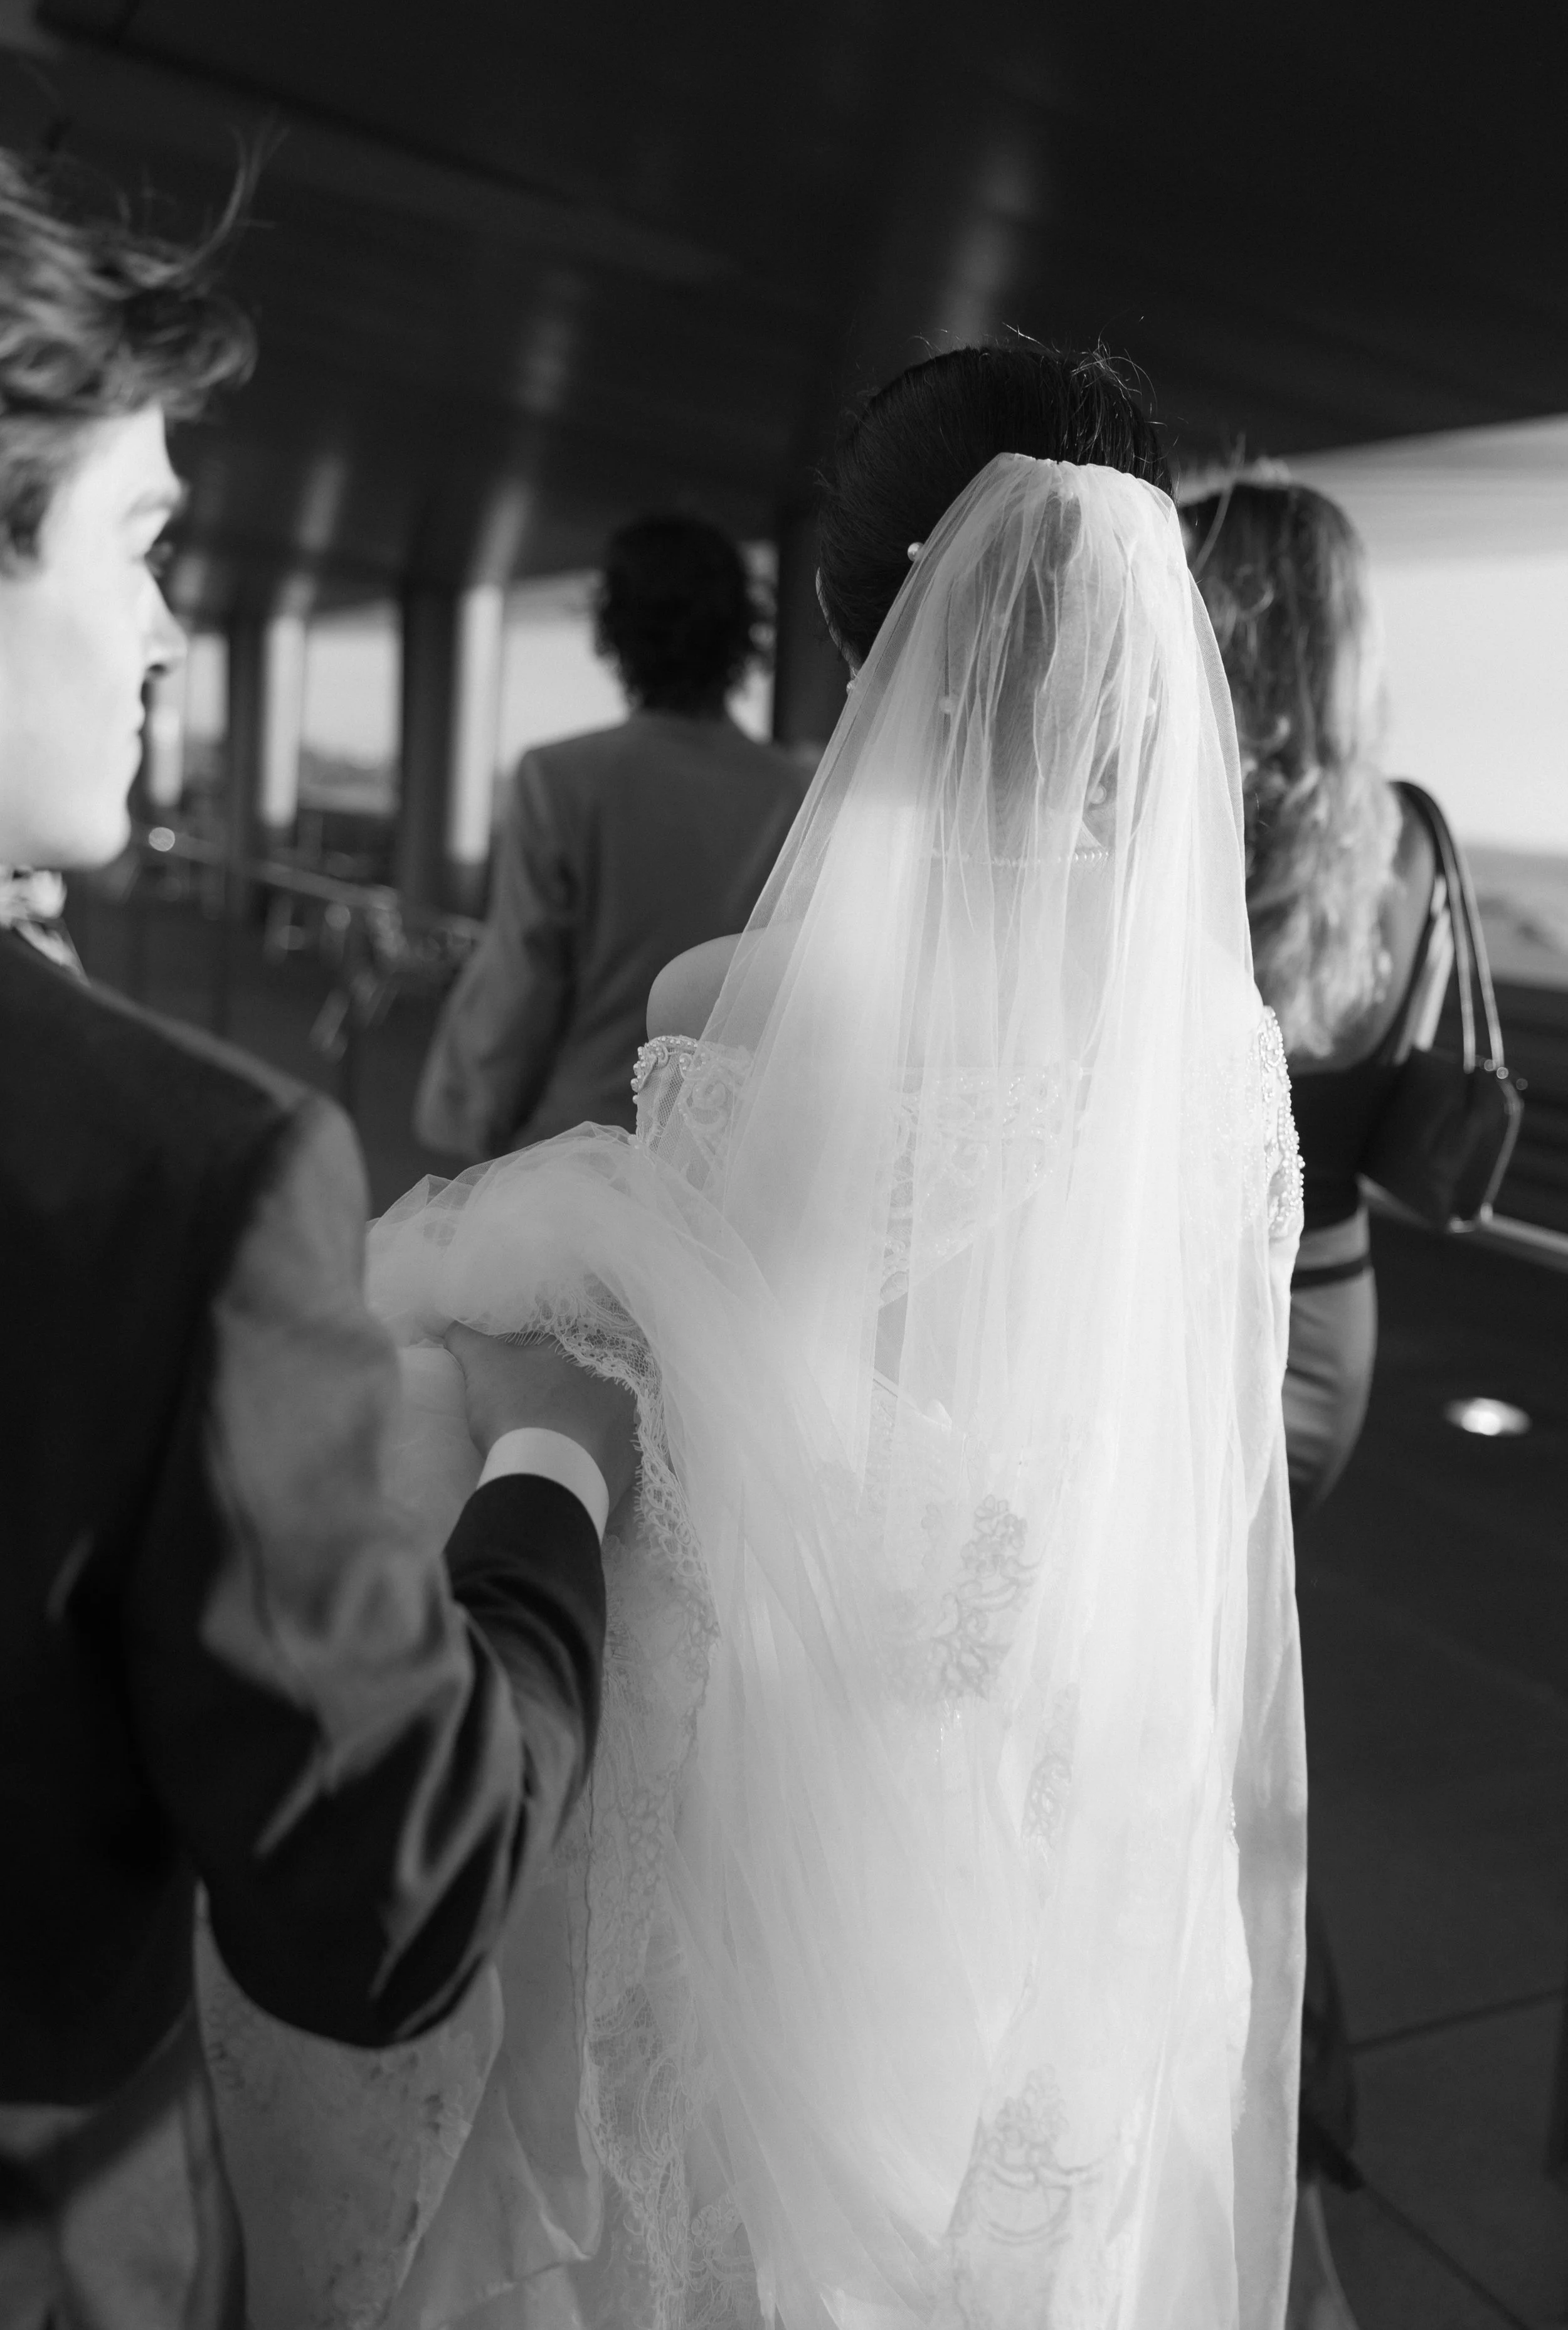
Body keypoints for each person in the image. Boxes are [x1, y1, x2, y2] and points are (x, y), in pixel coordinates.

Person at [222, 341, 1308, 2330]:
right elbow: (1200, 1443)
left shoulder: (738, 996)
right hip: (1092, 1740)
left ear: (857, 625)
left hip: (811, 1724)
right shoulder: (1216, 1044)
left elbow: (712, 1396)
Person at [0, 152, 635, 2329]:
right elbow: (388, 1894)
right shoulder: (188, 1175)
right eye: (138, 545)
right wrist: (549, 1482)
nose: (171, 629)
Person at [1183, 473, 1453, 2330]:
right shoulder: (1401, 838)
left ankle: (1270, 2095)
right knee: (1227, 1679)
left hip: (1195, 1318)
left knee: (1190, 1719)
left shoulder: (1181, 815)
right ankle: (1287, 2097)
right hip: (1330, 1318)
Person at [415, 515, 807, 1156]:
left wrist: (471, 1122)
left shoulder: (560, 779)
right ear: (741, 635)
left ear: (616, 632)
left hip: (579, 1148)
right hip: (724, 1158)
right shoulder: (793, 794)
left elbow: (521, 983)